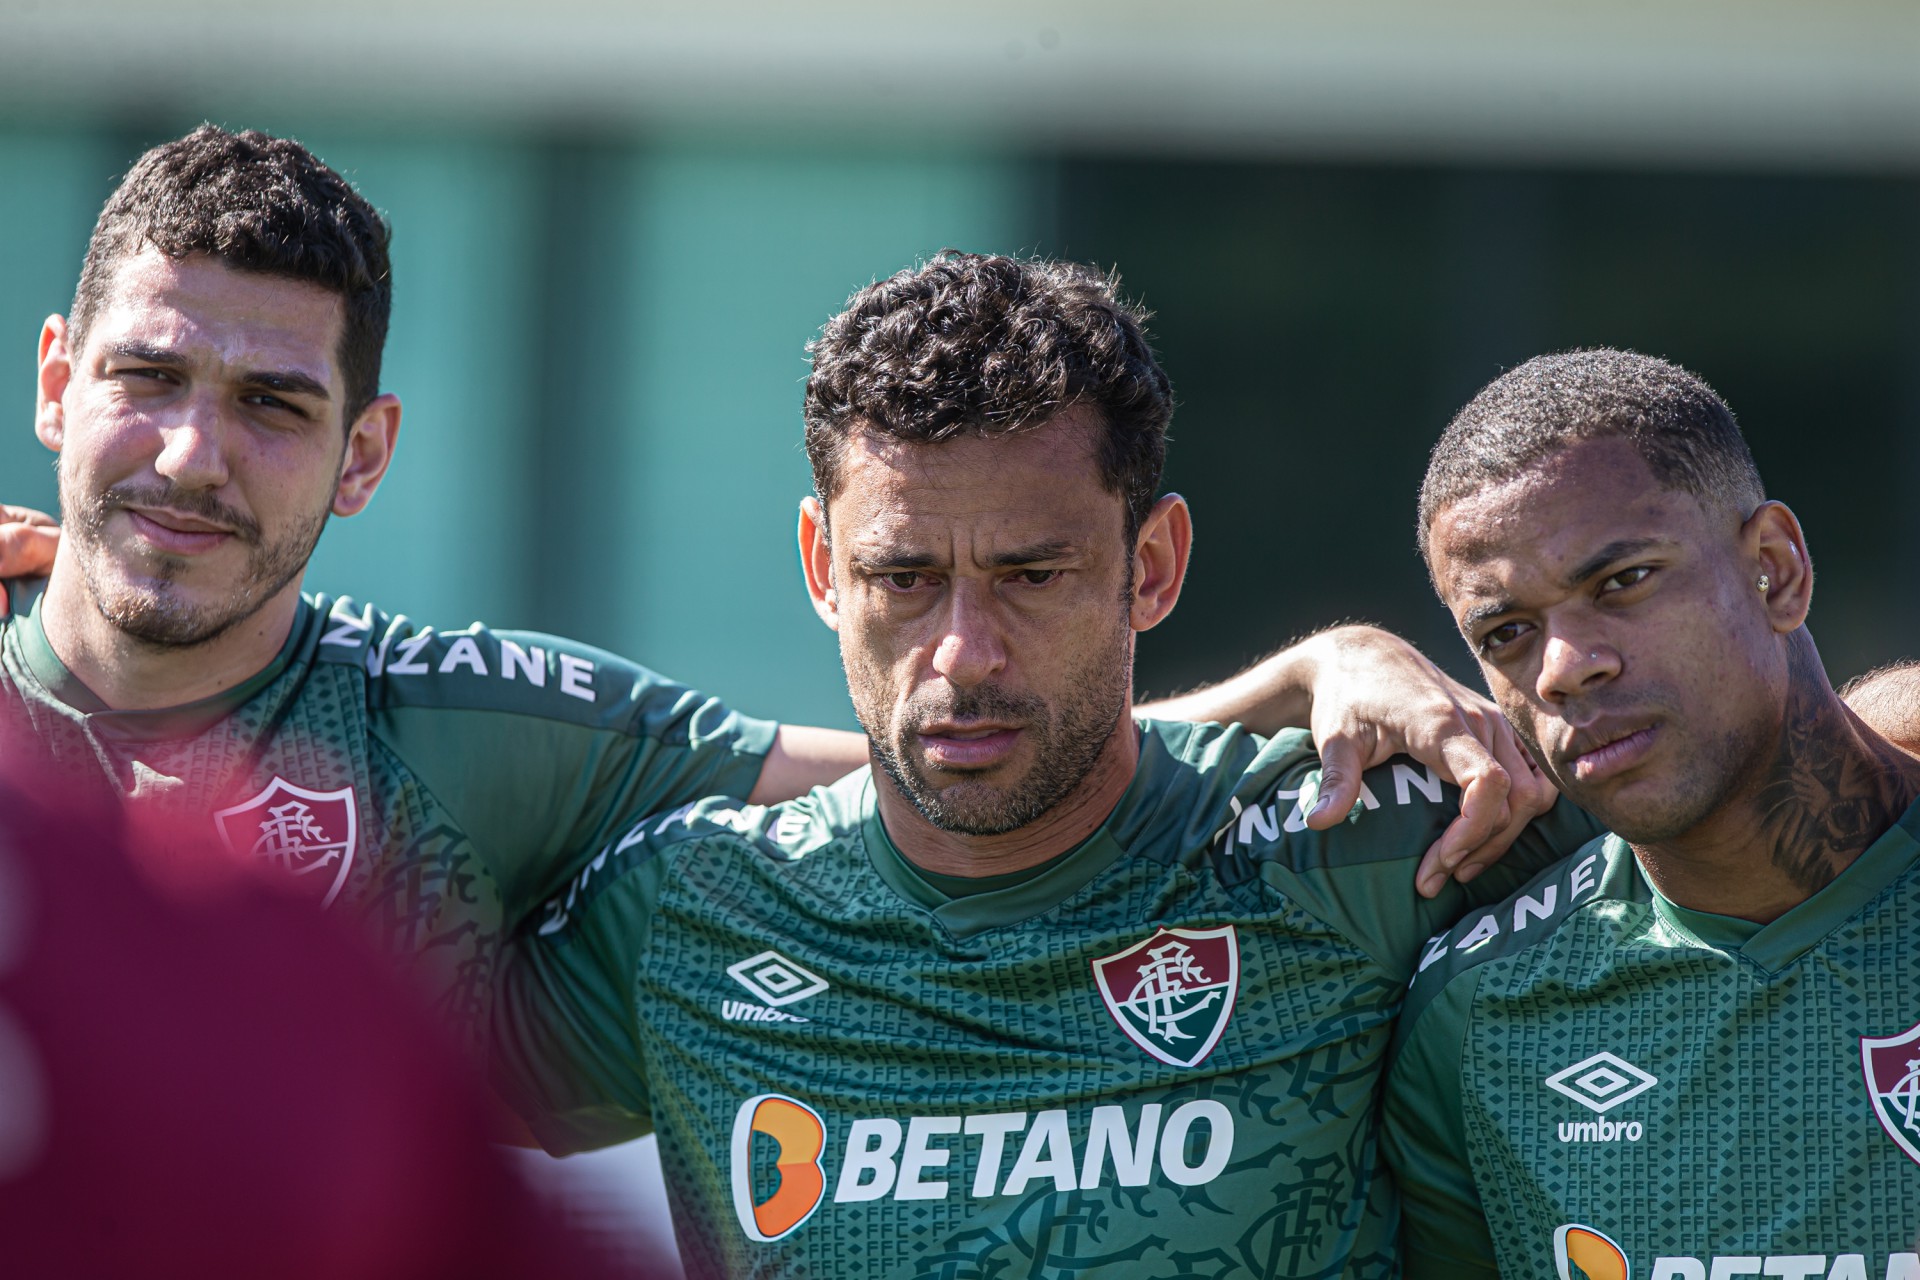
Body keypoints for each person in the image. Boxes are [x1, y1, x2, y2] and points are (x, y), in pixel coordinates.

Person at [0, 124, 1551, 1059]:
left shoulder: (466, 723)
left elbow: (942, 766)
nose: (194, 456)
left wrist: (1310, 670)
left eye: (273, 406)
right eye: (148, 377)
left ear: (366, 454)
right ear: (59, 383)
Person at [488, 252, 1609, 1279]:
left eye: (1032, 574)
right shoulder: (688, 906)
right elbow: (345, 1090)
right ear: (825, 568)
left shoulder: (1355, 834)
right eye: (905, 577)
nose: (963, 652)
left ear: (1153, 564)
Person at [1381, 349, 1920, 1279]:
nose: (1564, 667)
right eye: (1507, 634)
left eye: (1623, 581)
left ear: (1776, 570)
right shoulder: (1473, 1020)